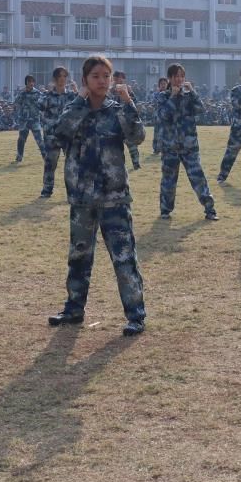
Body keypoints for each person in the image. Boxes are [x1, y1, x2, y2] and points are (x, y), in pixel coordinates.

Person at [47, 55, 147, 336]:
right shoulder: (74, 109)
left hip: (114, 198)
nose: (102, 81)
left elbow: (137, 137)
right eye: (96, 76)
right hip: (82, 198)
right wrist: (79, 101)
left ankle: (136, 315)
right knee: (79, 256)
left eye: (106, 76)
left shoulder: (117, 111)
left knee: (124, 258)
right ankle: (74, 309)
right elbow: (58, 134)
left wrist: (129, 103)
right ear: (84, 81)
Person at [155, 64, 218, 222]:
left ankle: (210, 209)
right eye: (176, 76)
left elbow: (201, 110)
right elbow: (162, 116)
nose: (179, 79)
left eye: (182, 76)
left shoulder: (189, 95)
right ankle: (165, 210)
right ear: (170, 78)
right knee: (168, 180)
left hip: (189, 146)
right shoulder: (163, 96)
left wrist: (194, 93)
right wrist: (172, 97)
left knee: (198, 178)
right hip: (170, 146)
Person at [39, 67, 78, 199]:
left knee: (71, 164)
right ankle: (47, 190)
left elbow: (81, 107)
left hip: (68, 135)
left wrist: (76, 91)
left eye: (64, 76)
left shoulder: (71, 96)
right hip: (52, 135)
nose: (62, 79)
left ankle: (72, 192)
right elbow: (40, 107)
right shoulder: (47, 96)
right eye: (60, 76)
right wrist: (47, 92)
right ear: (54, 79)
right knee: (50, 164)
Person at [217, 66, 241, 184]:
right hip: (238, 128)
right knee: (231, 153)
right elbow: (237, 105)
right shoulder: (236, 91)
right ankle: (222, 177)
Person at [111, 70, 142, 170]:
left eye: (122, 77)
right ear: (113, 79)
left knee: (132, 145)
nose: (120, 80)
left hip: (126, 123)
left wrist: (130, 93)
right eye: (117, 78)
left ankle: (136, 164)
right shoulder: (110, 90)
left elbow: (135, 103)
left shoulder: (128, 90)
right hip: (114, 123)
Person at [12, 75, 46, 163]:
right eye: (29, 81)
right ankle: (19, 157)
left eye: (32, 81)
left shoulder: (38, 93)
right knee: (21, 140)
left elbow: (43, 104)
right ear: (26, 83)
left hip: (35, 120)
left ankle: (45, 156)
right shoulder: (22, 93)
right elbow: (16, 103)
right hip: (24, 120)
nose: (31, 83)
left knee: (39, 140)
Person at [151, 76, 169, 155]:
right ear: (159, 85)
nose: (163, 85)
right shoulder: (156, 94)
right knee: (156, 133)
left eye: (165, 84)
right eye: (161, 84)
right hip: (158, 117)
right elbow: (154, 103)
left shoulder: (169, 94)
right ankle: (156, 149)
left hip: (167, 118)